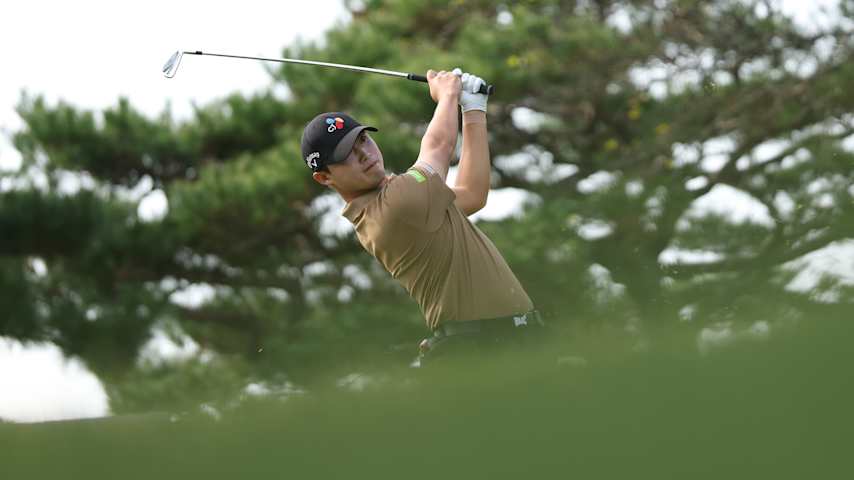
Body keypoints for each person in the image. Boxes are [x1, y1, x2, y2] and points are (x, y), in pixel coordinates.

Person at [300, 69, 542, 366]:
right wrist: (448, 93)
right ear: (324, 177)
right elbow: (438, 146)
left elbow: (472, 193)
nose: (364, 153)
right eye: (346, 153)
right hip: (478, 351)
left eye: (362, 140)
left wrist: (474, 109)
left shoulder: (405, 200)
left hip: (508, 342)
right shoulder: (395, 206)